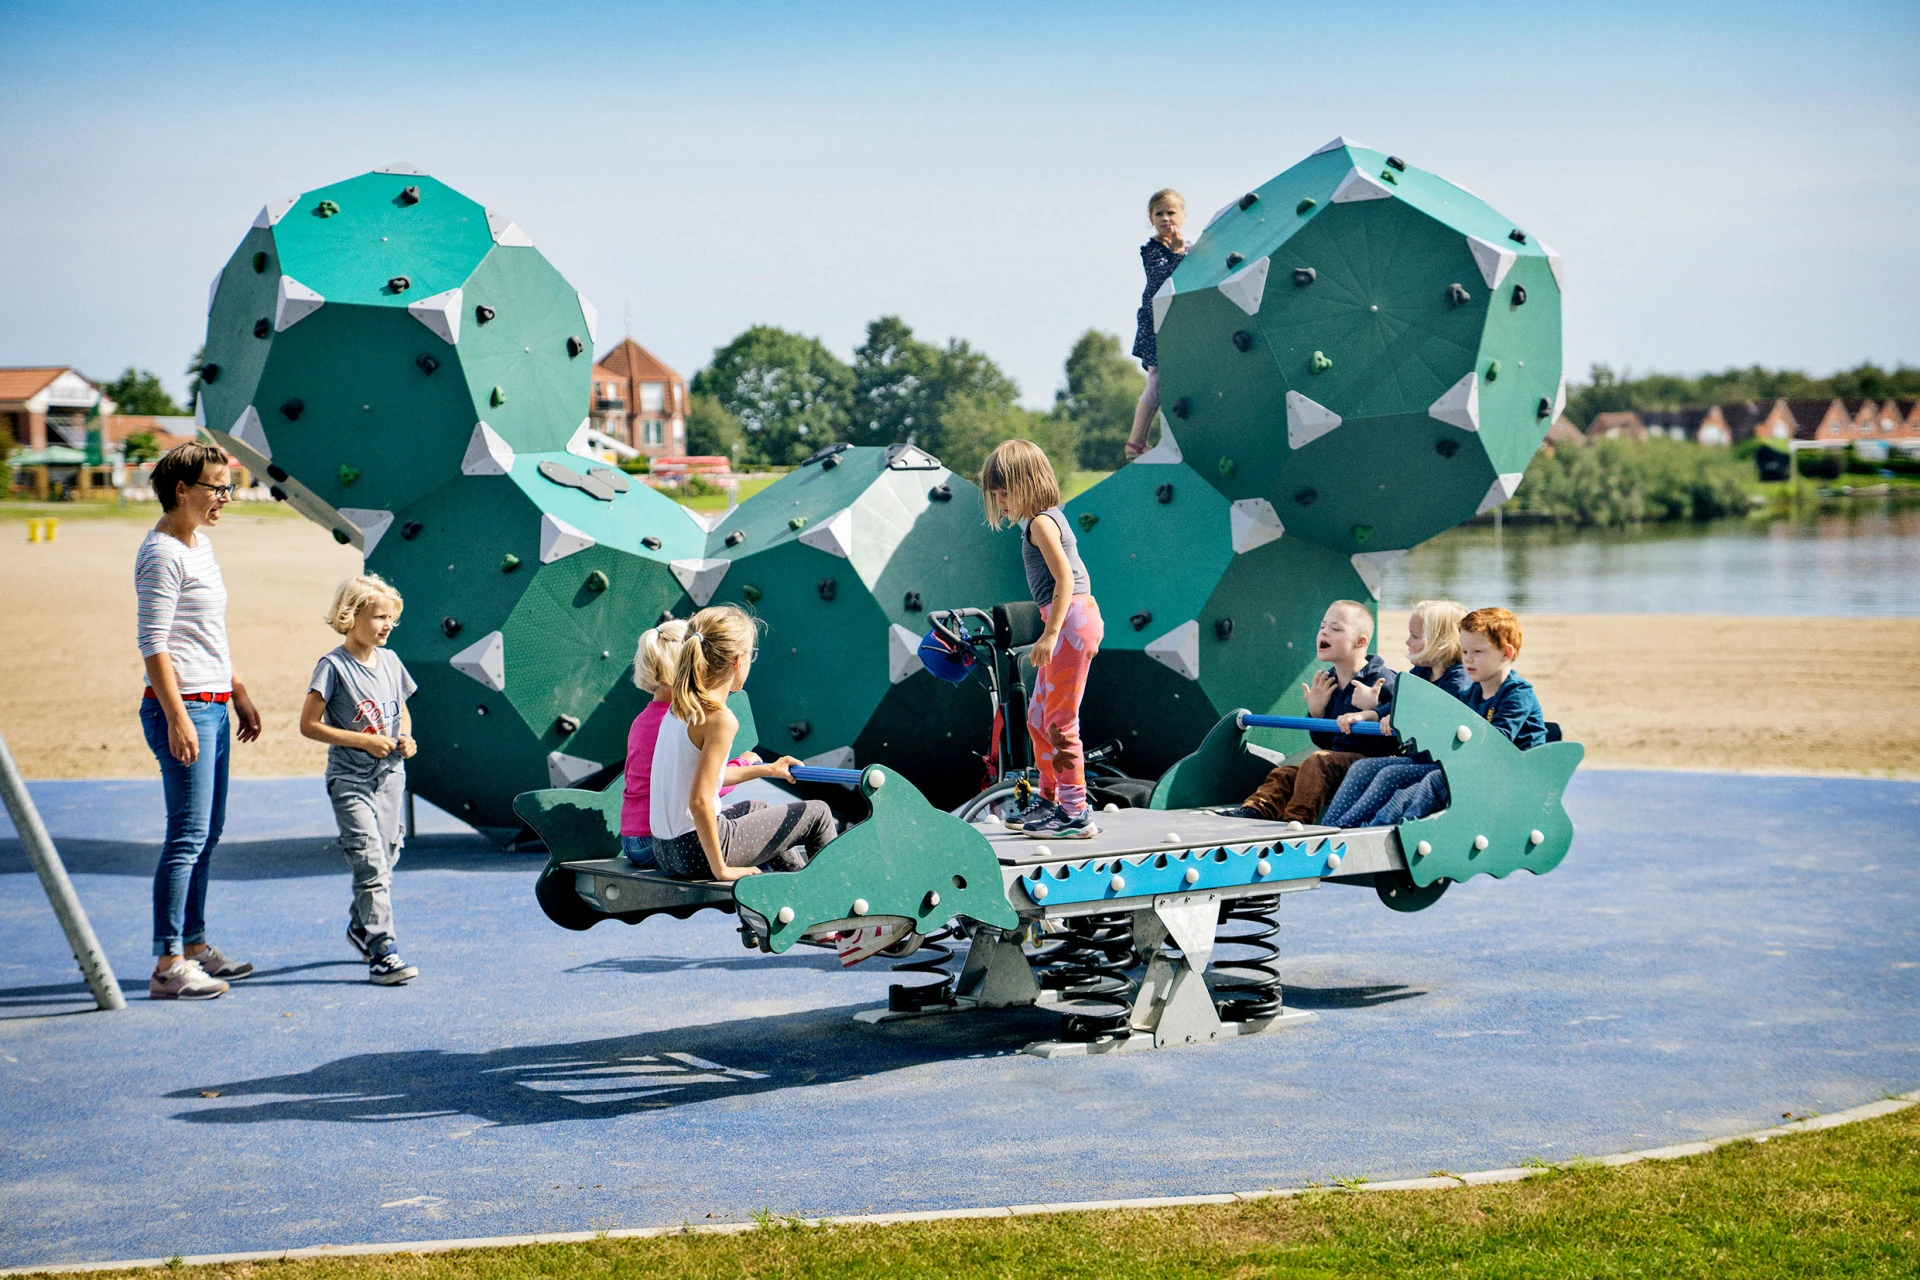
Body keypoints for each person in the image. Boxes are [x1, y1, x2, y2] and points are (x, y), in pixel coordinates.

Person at [136, 442, 263, 1001]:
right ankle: (167, 965)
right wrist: (177, 717)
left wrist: (237, 690)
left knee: (207, 833)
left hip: (213, 701)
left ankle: (193, 945)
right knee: (186, 835)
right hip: (184, 707)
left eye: (228, 488)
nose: (225, 499)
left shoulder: (201, 546)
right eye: (217, 487)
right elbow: (154, 644)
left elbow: (208, 632)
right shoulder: (161, 554)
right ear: (182, 490)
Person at [980, 439, 1105, 839]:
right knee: (1037, 718)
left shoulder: (1040, 523)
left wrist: (1050, 635)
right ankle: (1049, 800)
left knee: (1059, 720)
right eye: (995, 495)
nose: (1000, 502)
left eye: (1004, 493)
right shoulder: (1041, 520)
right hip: (1065, 618)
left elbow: (1065, 577)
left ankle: (1075, 810)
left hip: (1070, 620)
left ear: (1028, 485)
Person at [299, 574, 420, 985]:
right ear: (350, 616)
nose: (387, 625)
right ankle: (383, 950)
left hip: (390, 779)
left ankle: (360, 925)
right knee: (370, 863)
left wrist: (405, 736)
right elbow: (309, 725)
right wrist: (361, 741)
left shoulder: (390, 661)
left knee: (387, 857)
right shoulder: (332, 667)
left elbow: (400, 708)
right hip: (350, 781)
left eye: (391, 618)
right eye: (378, 617)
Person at [1327, 606, 1548, 827]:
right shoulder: (1471, 692)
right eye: (1464, 652)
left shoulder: (1517, 694)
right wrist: (1379, 714)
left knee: (1416, 779)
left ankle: (1383, 833)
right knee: (1366, 768)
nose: (1468, 660)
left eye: (1477, 652)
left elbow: (1496, 742)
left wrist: (1427, 726)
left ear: (1506, 653)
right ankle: (1333, 827)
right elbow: (1415, 706)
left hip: (1506, 778)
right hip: (1469, 769)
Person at [649, 605, 824, 882]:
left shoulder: (679, 709)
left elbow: (706, 779)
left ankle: (795, 896)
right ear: (737, 661)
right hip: (695, 852)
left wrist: (768, 769)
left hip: (666, 849)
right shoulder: (720, 718)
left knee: (758, 807)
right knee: (818, 814)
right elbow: (700, 800)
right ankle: (837, 917)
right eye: (751, 655)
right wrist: (721, 869)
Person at [1225, 601, 1398, 824]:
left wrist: (1372, 710)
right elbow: (1325, 740)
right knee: (1286, 774)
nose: (1324, 632)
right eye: (1322, 626)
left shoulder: (1382, 679)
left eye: (1335, 629)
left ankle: (1297, 821)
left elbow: (1399, 732)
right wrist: (1317, 713)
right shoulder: (1329, 682)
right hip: (1336, 766)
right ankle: (1256, 811)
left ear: (1361, 642)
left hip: (1371, 764)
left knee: (1318, 762)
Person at [618, 620, 765, 869]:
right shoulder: (679, 720)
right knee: (762, 830)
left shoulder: (643, 719)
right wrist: (745, 764)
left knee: (757, 812)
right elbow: (702, 790)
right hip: (656, 842)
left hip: (632, 839)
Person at [1321, 600, 1470, 826]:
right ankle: (1329, 827)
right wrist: (1368, 714)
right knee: (1362, 767)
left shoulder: (1458, 680)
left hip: (1443, 766)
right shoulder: (1420, 673)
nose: (1407, 641)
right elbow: (1395, 707)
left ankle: (1347, 829)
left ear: (1440, 641)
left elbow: (1443, 717)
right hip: (1420, 759)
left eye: (1415, 636)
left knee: (1389, 775)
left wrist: (1406, 719)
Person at [1123, 189, 1192, 461]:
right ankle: (1136, 441)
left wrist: (1181, 250)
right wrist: (1176, 253)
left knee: (1176, 380)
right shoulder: (1152, 250)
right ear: (1151, 219)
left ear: (1184, 216)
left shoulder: (1189, 247)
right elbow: (1162, 283)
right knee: (1157, 378)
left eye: (1171, 212)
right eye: (1159, 213)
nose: (1165, 218)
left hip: (1180, 323)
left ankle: (1169, 437)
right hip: (1157, 323)